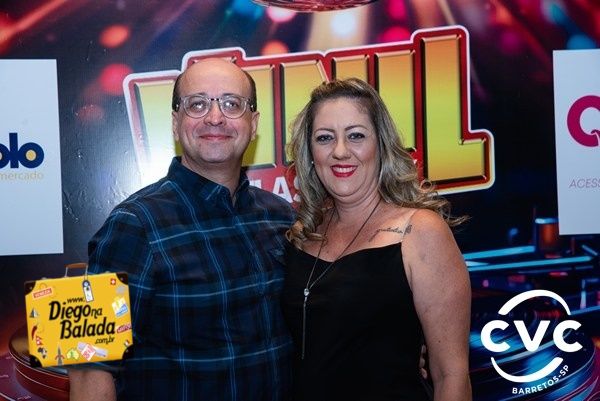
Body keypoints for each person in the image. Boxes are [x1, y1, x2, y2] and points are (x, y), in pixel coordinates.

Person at [68, 58, 295, 401]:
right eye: (197, 104)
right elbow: (86, 366)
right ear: (176, 124)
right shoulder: (131, 223)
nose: (215, 117)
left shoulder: (282, 216)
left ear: (253, 123)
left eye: (232, 104)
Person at [281, 78, 472, 401]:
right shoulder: (303, 234)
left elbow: (451, 375)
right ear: (310, 153)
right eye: (325, 138)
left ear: (381, 145)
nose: (340, 151)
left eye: (356, 135)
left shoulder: (420, 231)